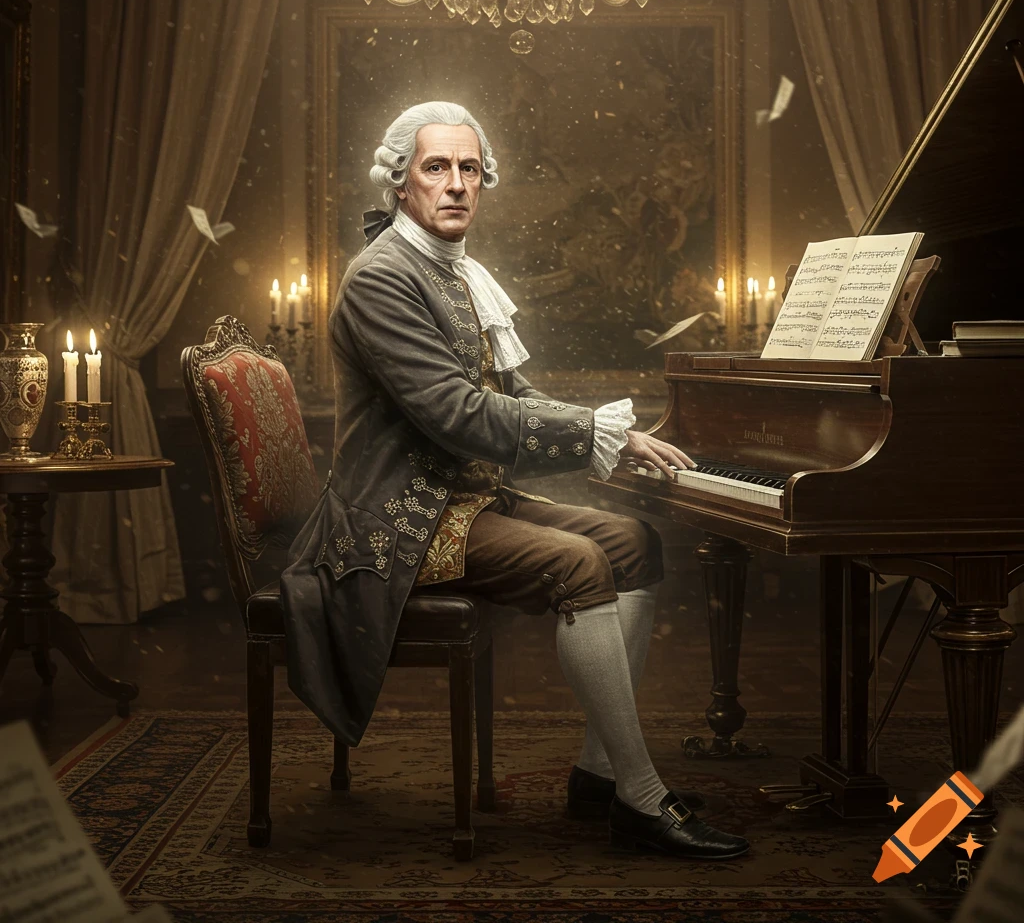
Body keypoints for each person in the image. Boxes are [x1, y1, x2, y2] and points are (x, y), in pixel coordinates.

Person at [282, 101, 748, 860]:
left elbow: (515, 396)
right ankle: (642, 795)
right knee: (580, 563)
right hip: (393, 519)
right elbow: (456, 414)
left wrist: (615, 438)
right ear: (400, 184)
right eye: (436, 168)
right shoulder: (380, 280)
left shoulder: (459, 273)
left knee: (632, 541)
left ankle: (599, 774)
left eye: (470, 169)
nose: (457, 184)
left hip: (466, 500)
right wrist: (591, 433)